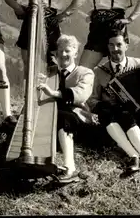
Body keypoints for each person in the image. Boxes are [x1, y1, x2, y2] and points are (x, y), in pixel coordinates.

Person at [87, 29, 140, 181]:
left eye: (119, 44)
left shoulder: (139, 64)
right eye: (111, 45)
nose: (115, 49)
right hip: (111, 118)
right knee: (110, 112)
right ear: (107, 47)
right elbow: (92, 99)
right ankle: (136, 157)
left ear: (126, 45)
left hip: (138, 116)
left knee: (125, 113)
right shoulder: (99, 71)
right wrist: (101, 106)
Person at [37, 35, 94, 184]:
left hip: (78, 118)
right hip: (52, 120)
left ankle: (70, 168)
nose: (63, 54)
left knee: (62, 116)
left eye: (67, 51)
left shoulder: (85, 73)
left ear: (75, 53)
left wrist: (54, 93)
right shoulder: (50, 72)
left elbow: (81, 95)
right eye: (60, 51)